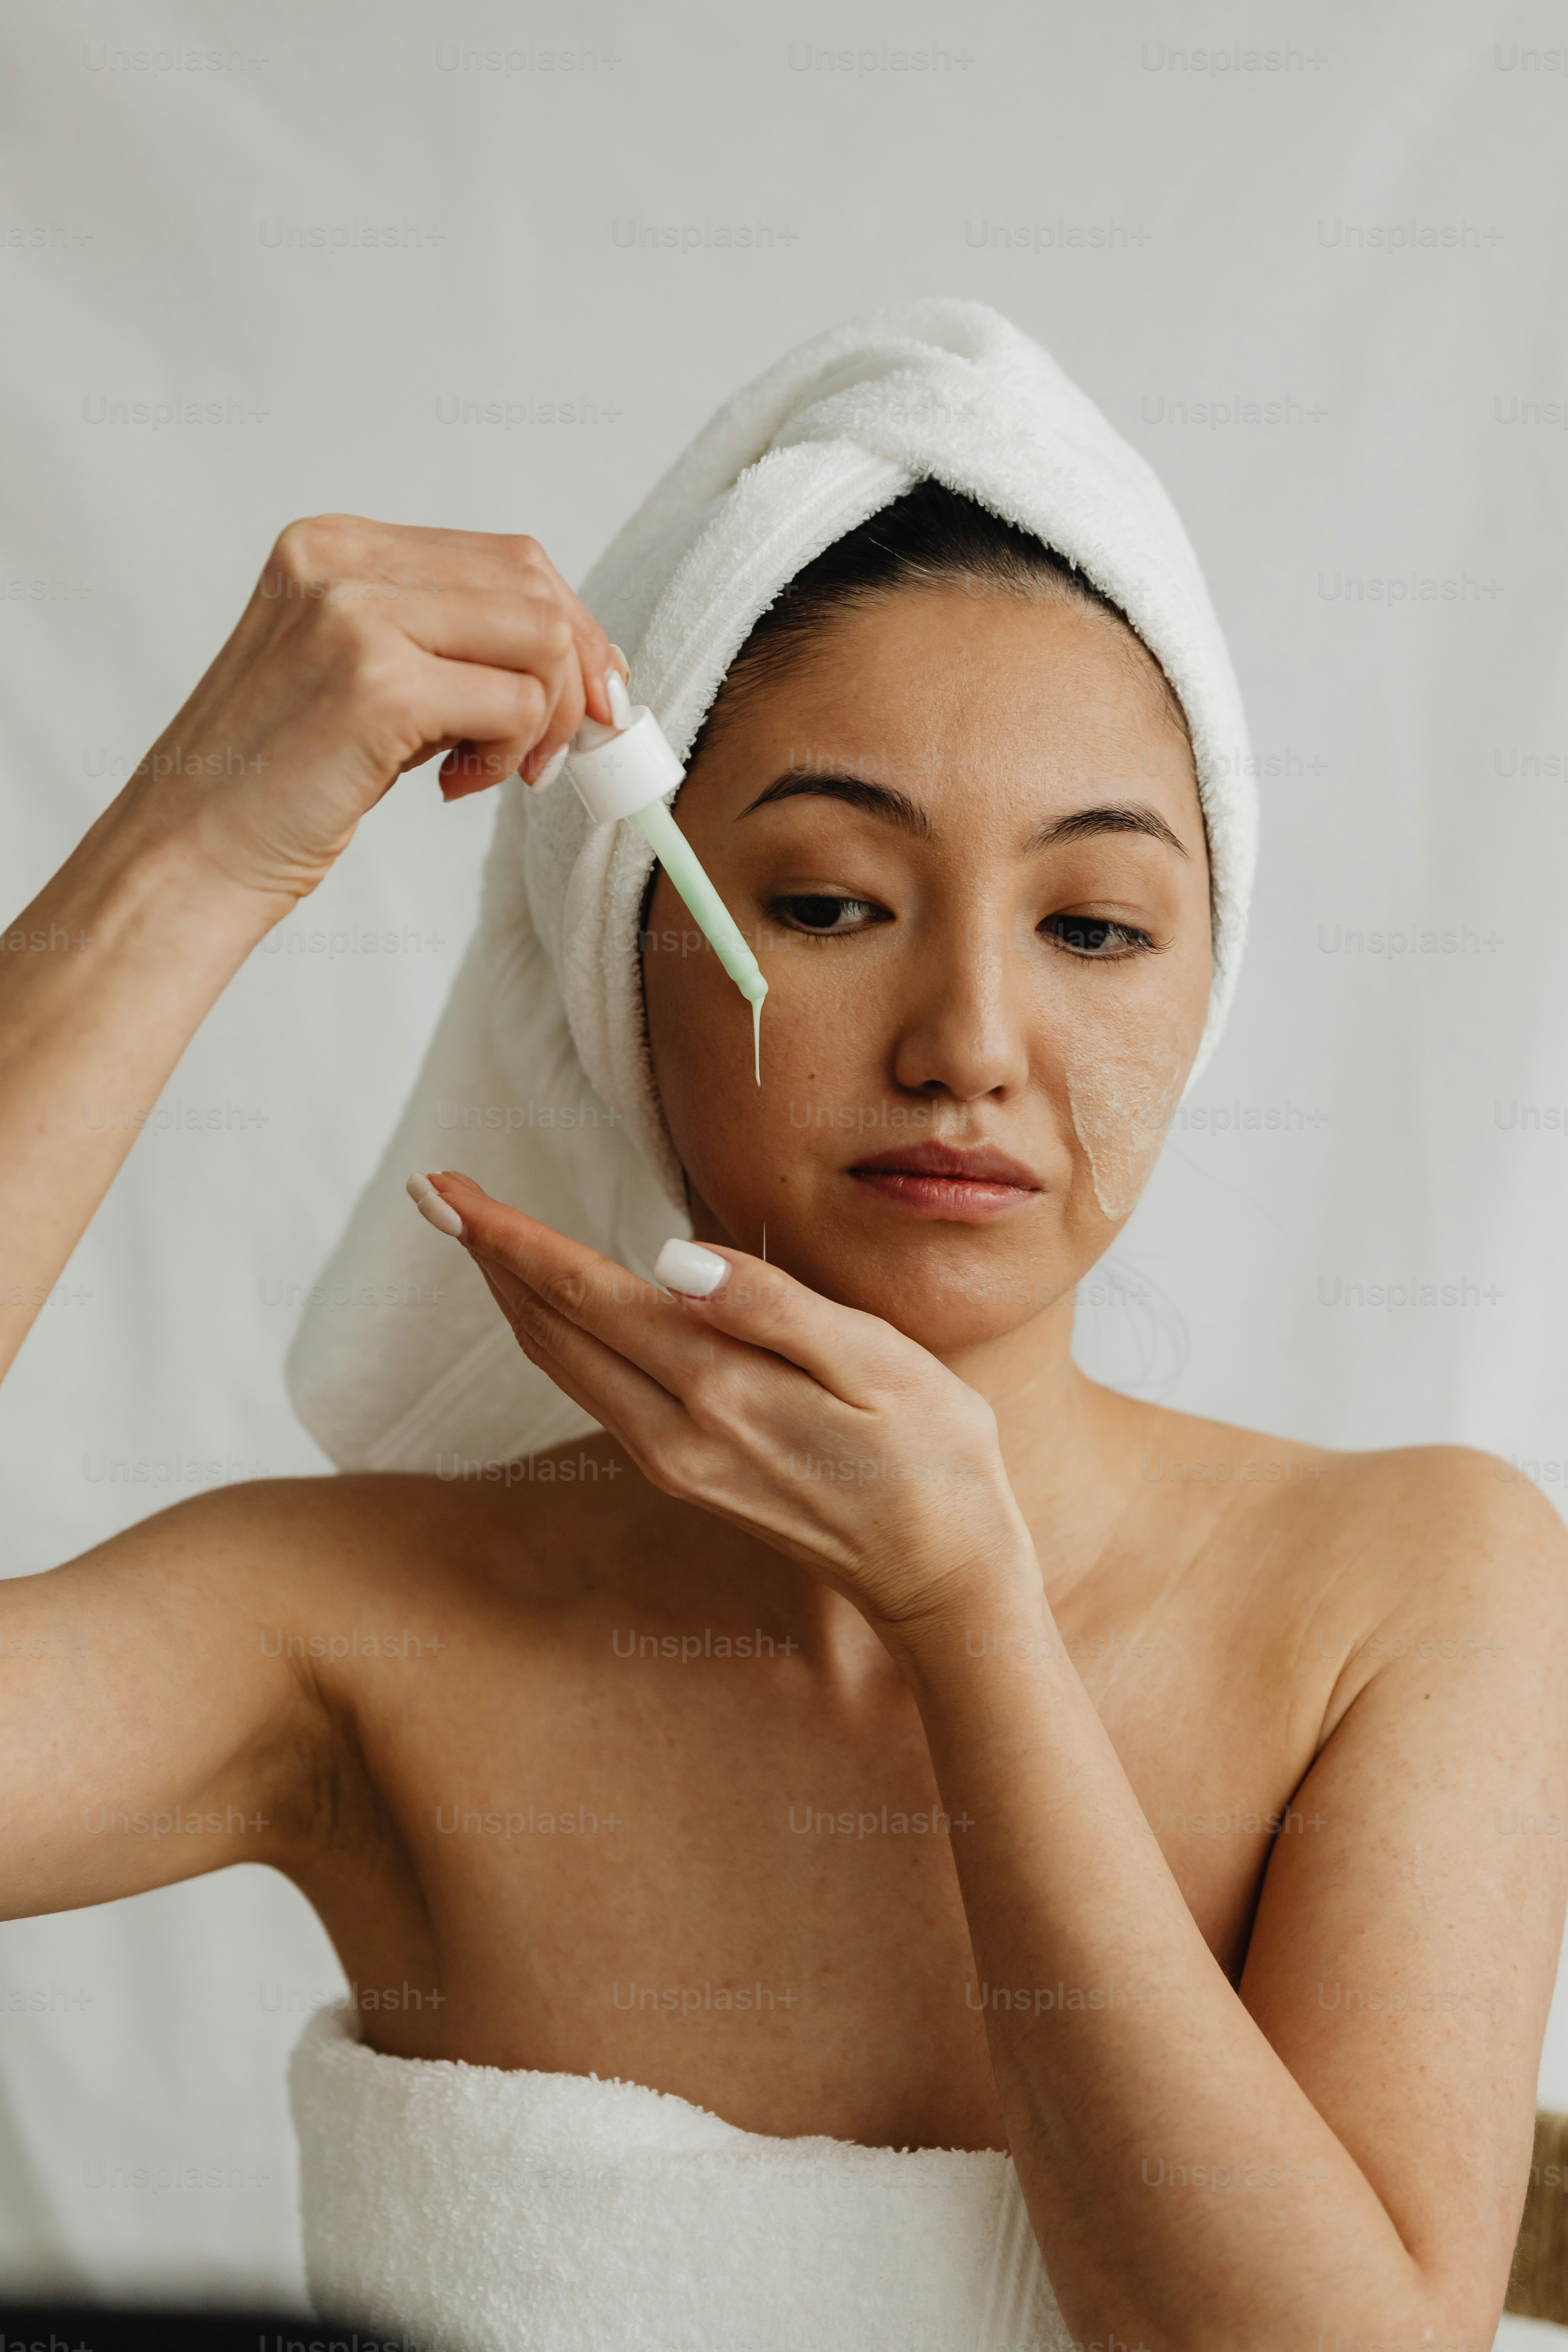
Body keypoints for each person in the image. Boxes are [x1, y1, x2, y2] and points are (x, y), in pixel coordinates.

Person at [2, 315, 1563, 2352]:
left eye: (1093, 925)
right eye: (829, 903)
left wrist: (965, 1614)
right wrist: (196, 849)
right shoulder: (361, 1627)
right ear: (612, 964)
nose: (972, 1048)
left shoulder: (1413, 1584)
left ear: (1205, 994)